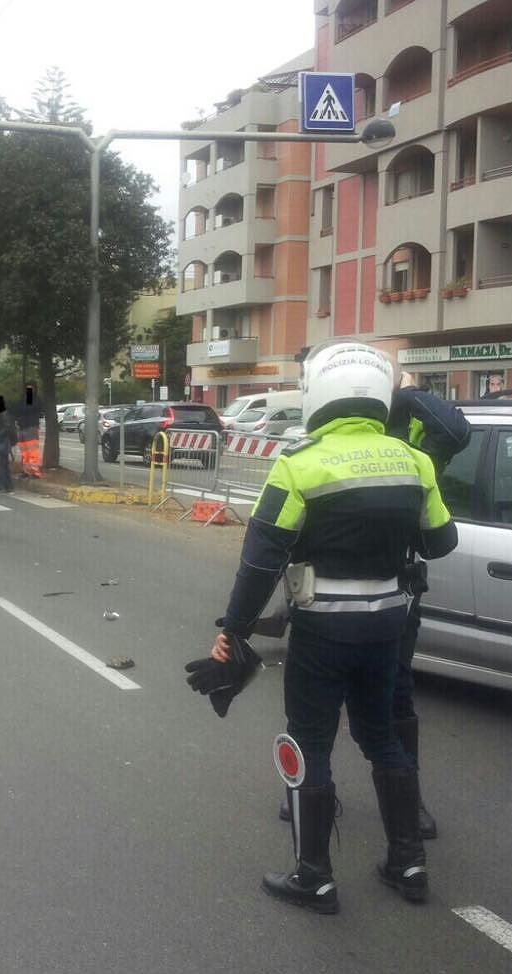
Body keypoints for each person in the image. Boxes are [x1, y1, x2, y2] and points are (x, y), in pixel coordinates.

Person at [188, 341, 458, 915]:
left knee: (309, 740)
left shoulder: (298, 464)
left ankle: (314, 876)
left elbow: (260, 562)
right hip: (388, 625)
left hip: (322, 629)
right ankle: (408, 861)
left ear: (319, 395)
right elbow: (441, 542)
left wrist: (233, 632)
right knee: (381, 736)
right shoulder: (413, 461)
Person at [263, 365, 470, 840]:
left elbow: (456, 430)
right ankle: (310, 790)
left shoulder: (414, 433)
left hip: (394, 586)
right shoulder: (331, 427)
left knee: (394, 698)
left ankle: (409, 804)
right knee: (316, 705)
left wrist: (406, 393)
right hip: (330, 586)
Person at [0, 394, 17, 495]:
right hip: (4, 440)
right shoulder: (3, 412)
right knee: (4, 465)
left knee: (1, 465)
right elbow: (5, 426)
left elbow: (7, 427)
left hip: (3, 441)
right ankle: (9, 487)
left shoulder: (3, 413)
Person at [16, 384, 43, 478]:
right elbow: (18, 410)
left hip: (31, 427)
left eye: (31, 389)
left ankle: (35, 472)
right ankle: (27, 471)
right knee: (25, 452)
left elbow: (32, 408)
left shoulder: (36, 399)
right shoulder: (22, 399)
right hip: (22, 427)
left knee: (32, 451)